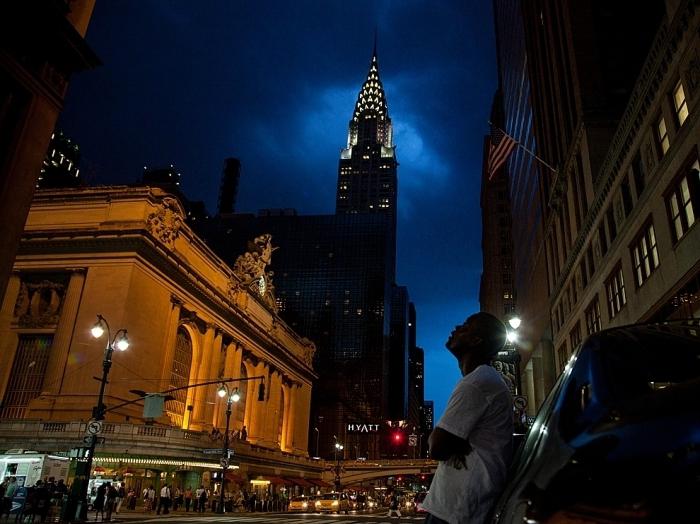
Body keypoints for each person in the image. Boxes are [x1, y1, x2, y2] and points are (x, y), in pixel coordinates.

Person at [421, 312, 513, 524]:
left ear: (476, 340)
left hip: (458, 509)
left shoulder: (477, 382)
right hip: (460, 506)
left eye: (465, 326)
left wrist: (449, 439)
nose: (456, 327)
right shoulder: (485, 379)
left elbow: (436, 447)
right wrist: (456, 440)